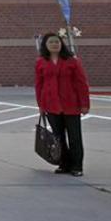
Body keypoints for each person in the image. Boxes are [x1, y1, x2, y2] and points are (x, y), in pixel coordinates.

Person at [35, 33, 90, 177]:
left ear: (61, 44)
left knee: (75, 137)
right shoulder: (41, 61)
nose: (54, 44)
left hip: (71, 104)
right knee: (58, 138)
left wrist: (84, 104)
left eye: (57, 42)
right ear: (45, 45)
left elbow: (81, 83)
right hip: (51, 105)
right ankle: (64, 164)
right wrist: (40, 105)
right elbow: (39, 85)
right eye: (51, 42)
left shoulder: (72, 61)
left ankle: (77, 166)